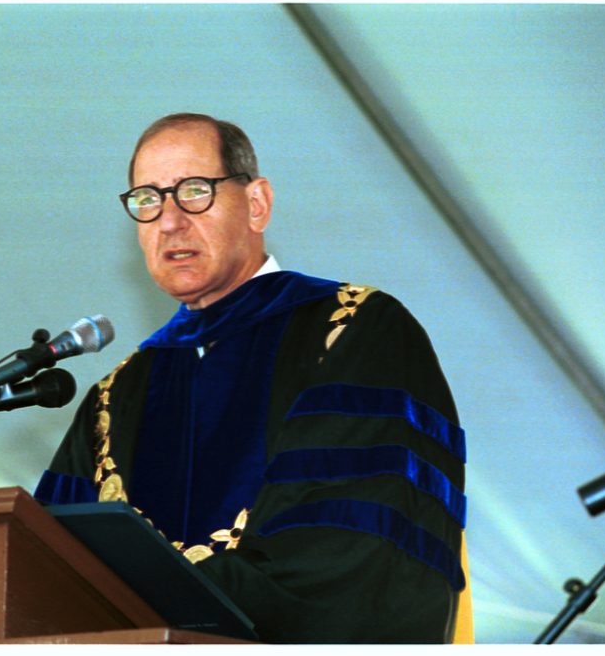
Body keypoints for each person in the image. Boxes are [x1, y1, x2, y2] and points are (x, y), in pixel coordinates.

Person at [34, 113, 469, 643]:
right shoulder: (113, 398)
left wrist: (165, 609)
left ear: (257, 204)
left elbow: (352, 557)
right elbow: (44, 573)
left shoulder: (353, 330)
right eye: (147, 199)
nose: (169, 220)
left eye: (193, 191)